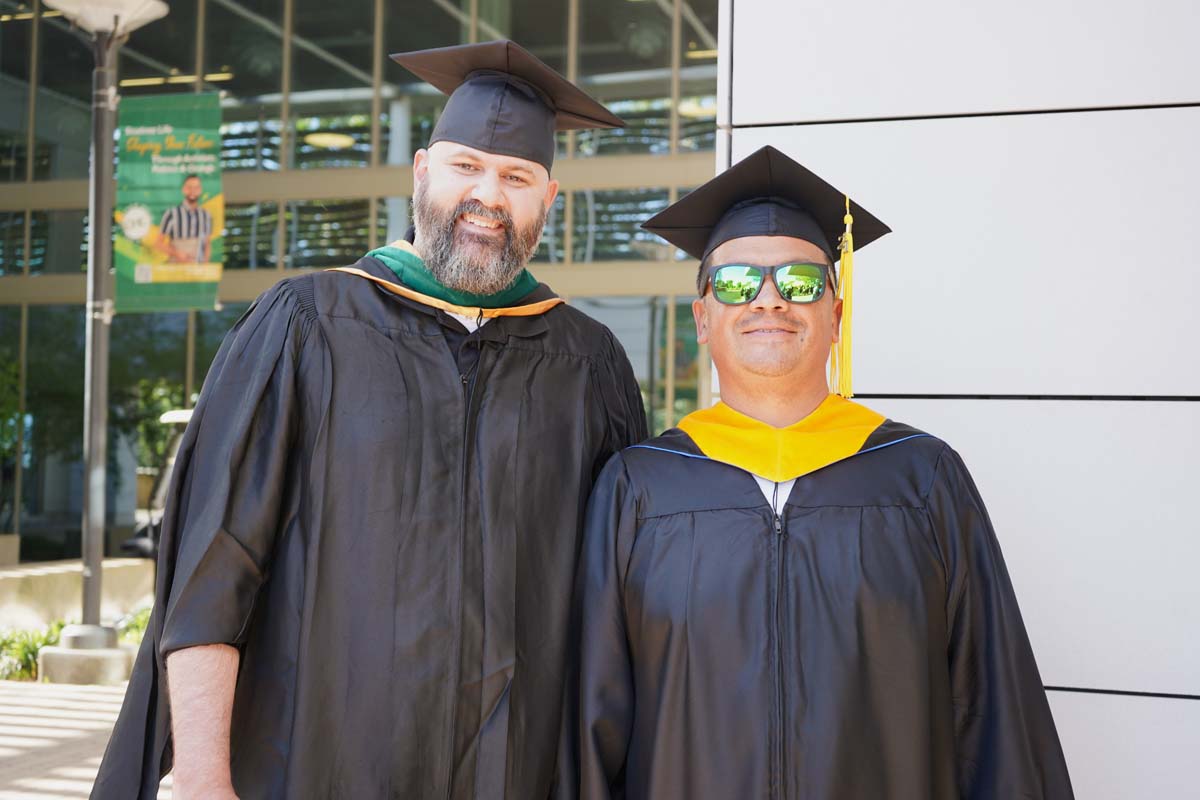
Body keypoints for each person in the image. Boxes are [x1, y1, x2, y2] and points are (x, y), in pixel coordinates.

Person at [93, 40, 646, 800]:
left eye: (516, 176)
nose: (487, 194)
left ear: (548, 200)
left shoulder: (590, 368)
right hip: (316, 769)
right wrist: (202, 781)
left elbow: (618, 612)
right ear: (421, 173)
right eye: (465, 167)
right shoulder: (306, 326)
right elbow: (212, 576)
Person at [561, 145, 1074, 799]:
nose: (769, 300)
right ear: (702, 318)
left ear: (836, 315)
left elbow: (993, 712)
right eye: (737, 283)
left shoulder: (921, 480)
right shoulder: (639, 488)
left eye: (801, 282)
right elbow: (593, 729)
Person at [158, 173, 213, 262]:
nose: (192, 191)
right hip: (176, 269)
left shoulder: (206, 215)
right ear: (183, 189)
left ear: (200, 190)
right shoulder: (171, 213)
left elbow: (207, 244)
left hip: (197, 270)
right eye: (189, 187)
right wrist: (176, 253)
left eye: (196, 188)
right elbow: (158, 244)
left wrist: (205, 265)